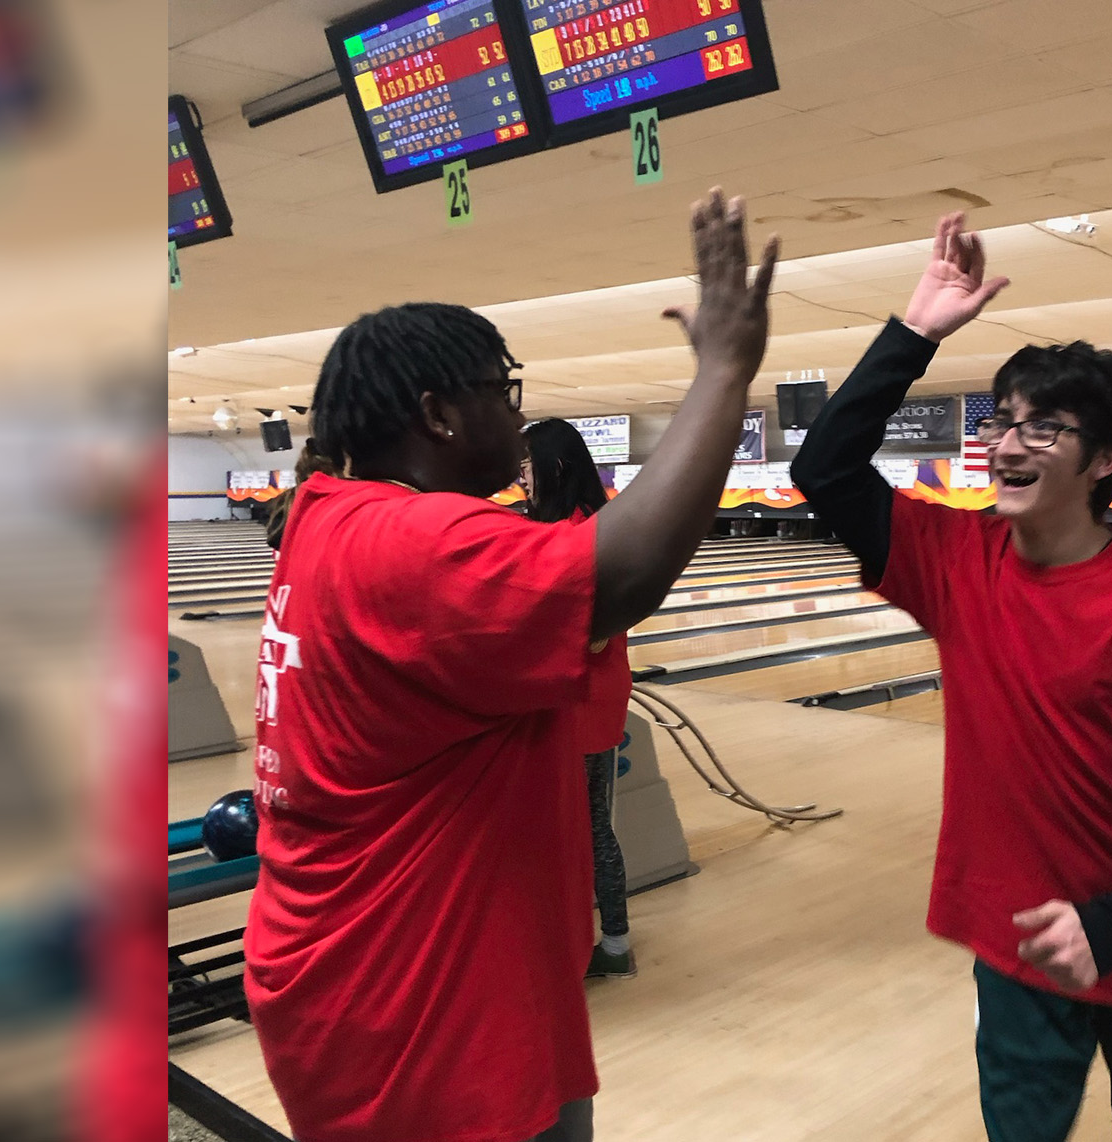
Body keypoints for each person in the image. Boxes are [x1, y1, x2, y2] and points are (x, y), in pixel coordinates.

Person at [243, 188, 777, 1142]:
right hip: (425, 1019)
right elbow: (624, 573)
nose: (520, 416)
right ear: (440, 412)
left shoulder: (328, 517)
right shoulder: (414, 544)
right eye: (506, 390)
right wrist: (726, 372)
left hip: (387, 976)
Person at [791, 213, 1112, 1142]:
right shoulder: (954, 558)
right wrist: (916, 334)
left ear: (1102, 463)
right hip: (1016, 944)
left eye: (1044, 428)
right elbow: (825, 468)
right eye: (1003, 421)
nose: (1007, 444)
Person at [520, 416, 637, 981]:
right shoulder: (560, 524)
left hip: (582, 697)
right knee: (573, 824)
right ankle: (592, 940)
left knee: (586, 824)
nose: (520, 476)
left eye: (527, 464)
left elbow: (593, 628)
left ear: (555, 466)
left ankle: (610, 945)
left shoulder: (583, 529)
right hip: (568, 694)